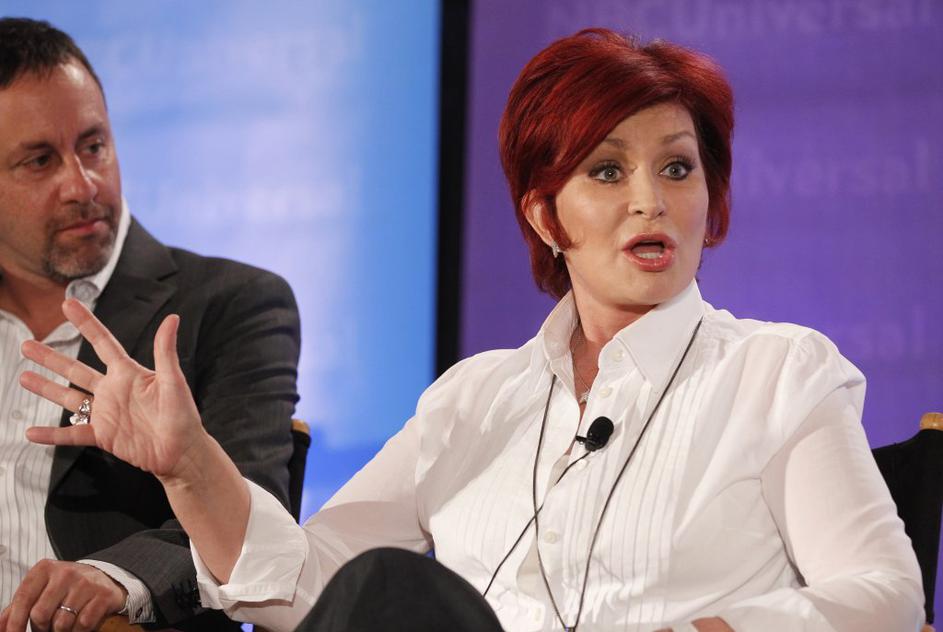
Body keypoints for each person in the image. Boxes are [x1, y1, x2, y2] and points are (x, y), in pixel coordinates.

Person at [9, 28, 924, 632]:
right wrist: (189, 466)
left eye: (677, 168)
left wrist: (708, 629)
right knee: (389, 593)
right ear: (543, 215)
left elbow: (884, 596)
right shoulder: (472, 399)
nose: (650, 200)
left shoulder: (779, 374)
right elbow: (311, 583)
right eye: (607, 172)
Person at [0, 18, 300, 632]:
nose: (82, 185)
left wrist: (115, 578)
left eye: (93, 146)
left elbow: (256, 521)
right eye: (40, 160)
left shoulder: (230, 306)